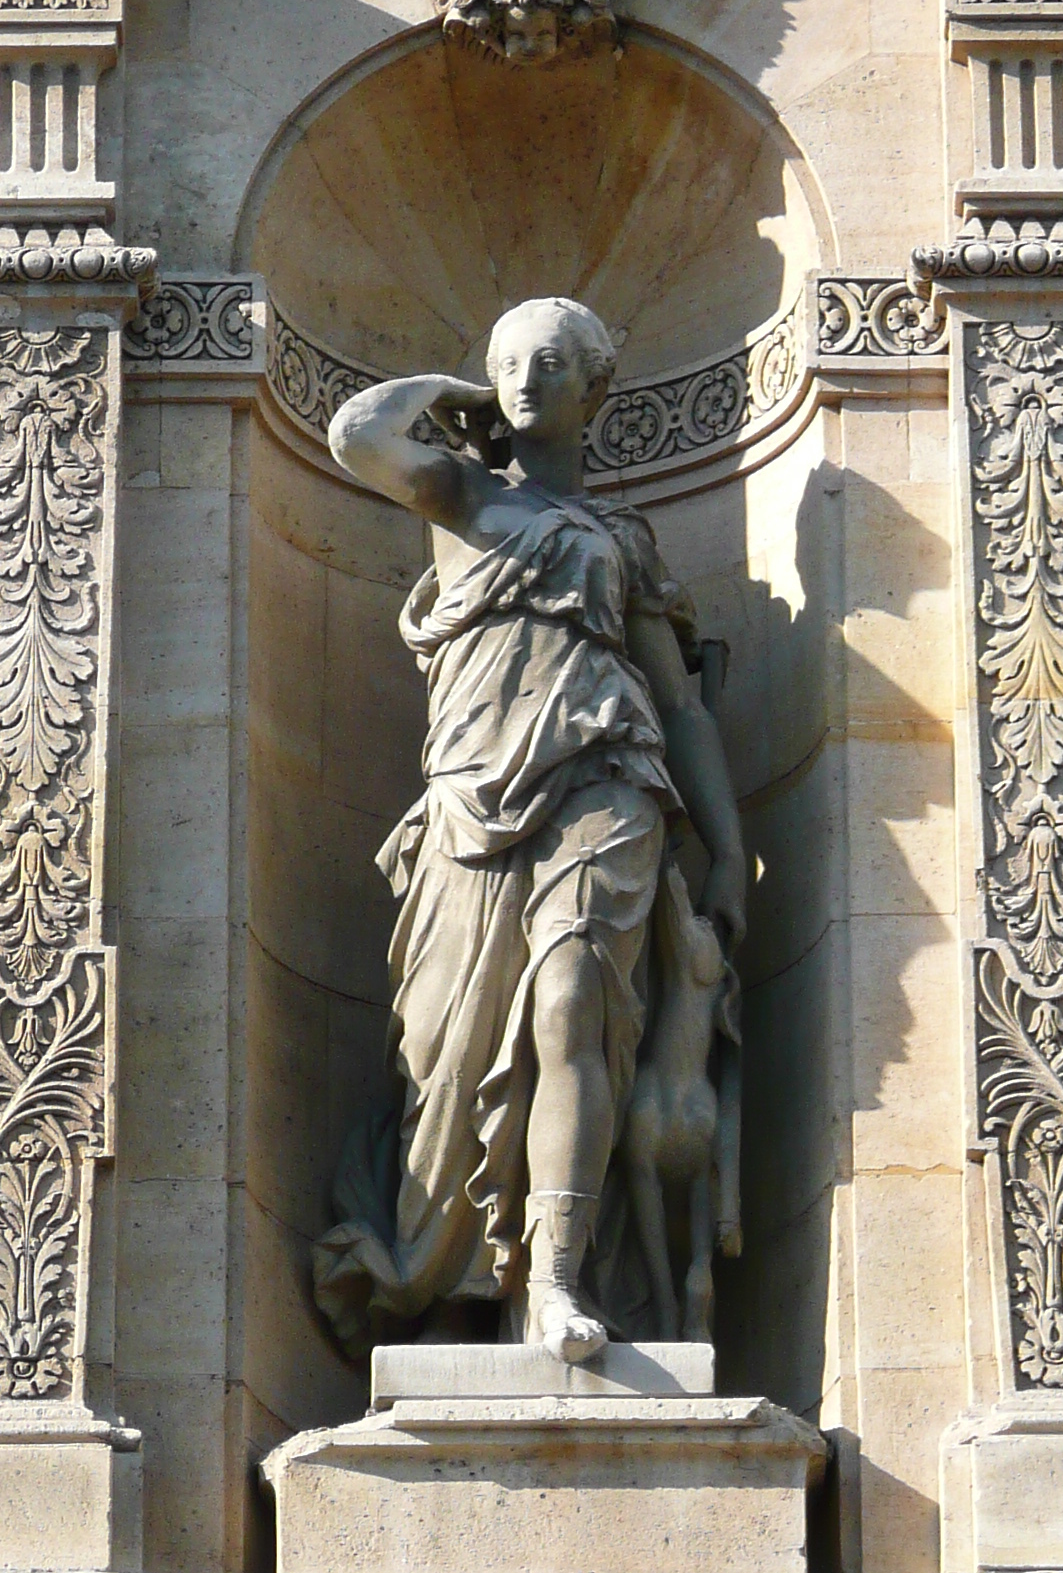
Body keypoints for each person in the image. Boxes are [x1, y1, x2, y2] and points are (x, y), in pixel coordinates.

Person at [313, 295, 746, 1363]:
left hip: (609, 776)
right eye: (507, 363)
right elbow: (359, 432)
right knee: (444, 1063)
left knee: (574, 1003)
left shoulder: (621, 541)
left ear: (595, 384)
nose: (525, 380)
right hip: (470, 798)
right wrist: (456, 395)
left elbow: (680, 702)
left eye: (550, 362)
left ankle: (555, 1279)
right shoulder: (459, 497)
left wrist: (731, 848)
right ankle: (463, 1282)